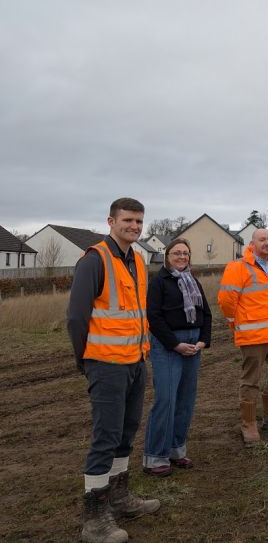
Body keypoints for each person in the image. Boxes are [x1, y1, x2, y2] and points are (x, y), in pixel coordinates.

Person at [67, 198, 160, 543]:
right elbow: (76, 317)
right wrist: (86, 360)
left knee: (126, 431)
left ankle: (120, 497)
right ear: (111, 221)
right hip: (105, 365)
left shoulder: (137, 260)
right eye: (128, 220)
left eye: (139, 221)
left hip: (135, 362)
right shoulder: (95, 260)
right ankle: (94, 518)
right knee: (105, 436)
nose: (134, 226)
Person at [218, 228, 268, 445]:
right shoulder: (238, 267)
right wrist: (235, 323)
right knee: (251, 380)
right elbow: (226, 300)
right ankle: (249, 424)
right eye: (262, 239)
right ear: (252, 244)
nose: (267, 242)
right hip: (253, 335)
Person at [142, 238, 212, 476]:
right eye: (177, 253)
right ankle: (155, 456)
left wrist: (203, 340)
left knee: (185, 400)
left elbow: (206, 314)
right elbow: (153, 317)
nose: (182, 257)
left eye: (186, 253)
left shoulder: (193, 281)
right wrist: (175, 344)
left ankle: (176, 450)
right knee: (166, 399)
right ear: (167, 256)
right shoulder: (159, 282)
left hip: (193, 345)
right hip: (168, 345)